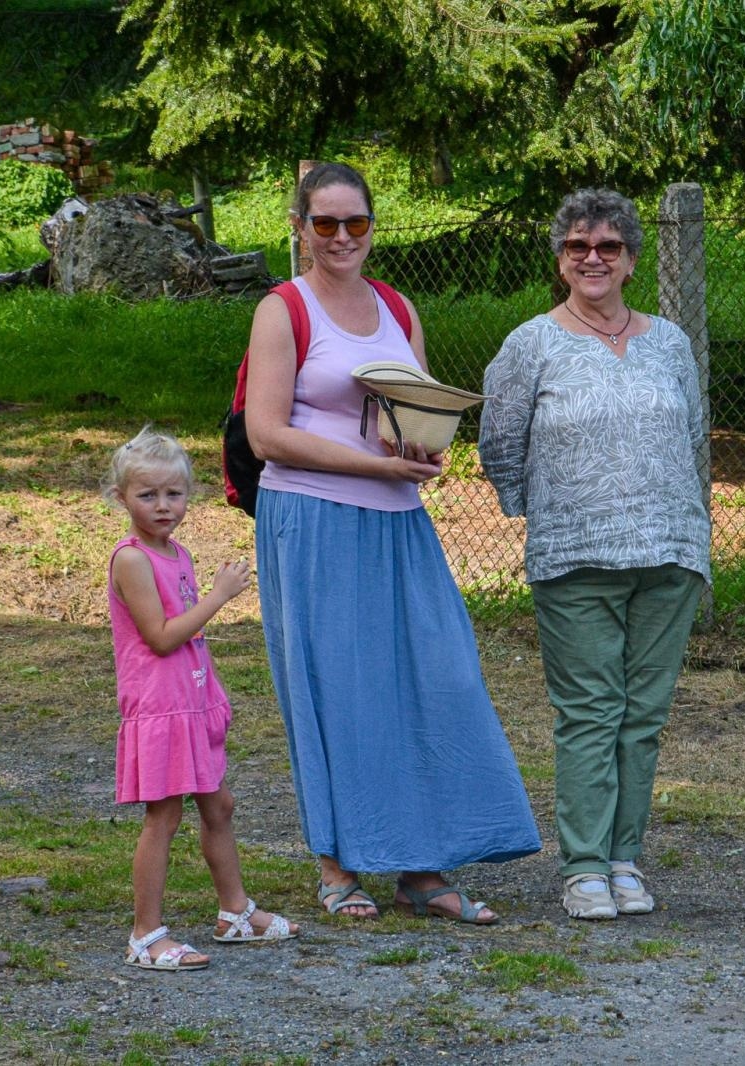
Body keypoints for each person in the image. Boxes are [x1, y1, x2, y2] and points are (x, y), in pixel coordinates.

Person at [244, 162, 540, 924]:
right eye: (325, 223)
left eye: (357, 223)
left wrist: (420, 447)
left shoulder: (398, 307)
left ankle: (421, 865)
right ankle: (339, 865)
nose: (342, 237)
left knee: (434, 677)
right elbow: (267, 434)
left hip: (399, 519)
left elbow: (416, 406)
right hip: (312, 520)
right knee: (336, 689)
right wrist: (375, 462)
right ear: (300, 227)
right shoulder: (284, 308)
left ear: (374, 226)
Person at [479, 188, 710, 921]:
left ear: (632, 260)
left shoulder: (670, 342)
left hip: (669, 553)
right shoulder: (531, 344)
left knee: (643, 713)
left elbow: (694, 434)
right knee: (589, 712)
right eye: (578, 245)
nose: (593, 257)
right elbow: (499, 443)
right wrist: (541, 511)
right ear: (560, 258)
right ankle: (582, 866)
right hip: (574, 557)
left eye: (608, 246)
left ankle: (624, 859)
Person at [105, 426, 298, 970]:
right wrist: (218, 596)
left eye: (174, 494)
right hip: (160, 709)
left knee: (220, 805)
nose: (163, 506)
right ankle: (146, 934)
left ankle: (234, 912)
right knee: (163, 818)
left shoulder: (176, 551)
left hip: (189, 702)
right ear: (122, 498)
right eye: (147, 495)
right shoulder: (133, 560)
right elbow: (163, 636)